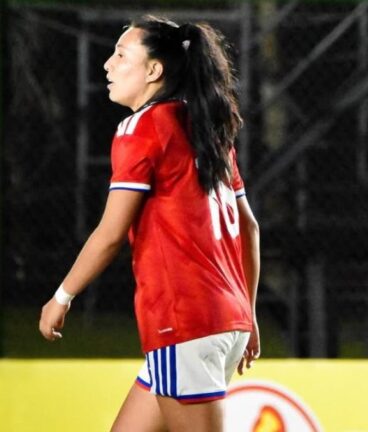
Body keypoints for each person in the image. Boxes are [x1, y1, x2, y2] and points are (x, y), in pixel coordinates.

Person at [38, 16, 260, 432]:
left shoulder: (141, 128)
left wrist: (62, 296)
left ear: (154, 71)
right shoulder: (207, 130)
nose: (108, 65)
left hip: (184, 323)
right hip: (223, 319)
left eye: (121, 55)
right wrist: (248, 316)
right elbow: (248, 227)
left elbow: (110, 233)